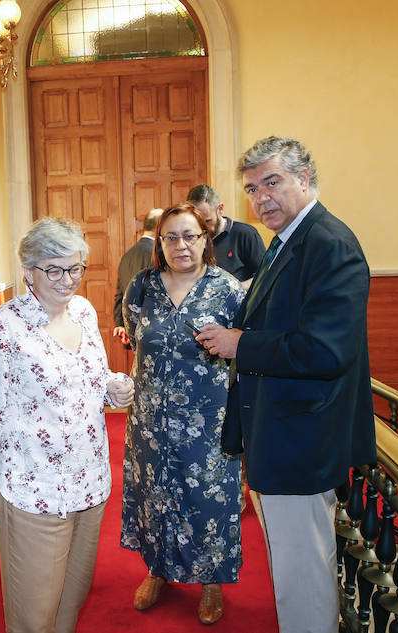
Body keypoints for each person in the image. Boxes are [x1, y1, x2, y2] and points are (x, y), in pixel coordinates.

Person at [196, 136, 376, 633]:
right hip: (280, 433)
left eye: (271, 182)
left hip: (304, 439)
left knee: (303, 572)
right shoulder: (288, 240)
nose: (261, 198)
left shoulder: (329, 243)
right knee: (291, 567)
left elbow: (326, 350)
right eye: (252, 189)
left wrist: (241, 345)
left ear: (304, 178)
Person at [0, 218, 134, 633]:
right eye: (54, 270)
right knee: (33, 616)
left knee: (70, 605)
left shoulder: (82, 310)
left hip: (91, 483)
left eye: (75, 268)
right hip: (33, 491)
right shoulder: (1, 327)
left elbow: (93, 374)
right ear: (28, 271)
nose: (68, 280)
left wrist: (113, 385)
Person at [120, 202, 245, 625]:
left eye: (189, 235)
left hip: (208, 422)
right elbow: (135, 336)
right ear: (160, 243)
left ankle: (211, 583)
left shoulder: (227, 289)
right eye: (170, 237)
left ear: (205, 239)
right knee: (155, 497)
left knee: (208, 500)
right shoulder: (143, 286)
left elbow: (243, 345)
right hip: (150, 420)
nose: (180, 245)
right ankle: (158, 570)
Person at [187, 184, 264, 290]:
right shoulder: (190, 239)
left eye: (208, 221)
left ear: (220, 209)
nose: (203, 228)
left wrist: (232, 289)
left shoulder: (245, 234)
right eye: (197, 222)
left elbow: (264, 277)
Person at [113, 207, 163, 348]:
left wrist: (121, 325)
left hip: (131, 330)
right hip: (153, 332)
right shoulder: (157, 255)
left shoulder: (126, 256)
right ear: (160, 227)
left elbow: (119, 294)